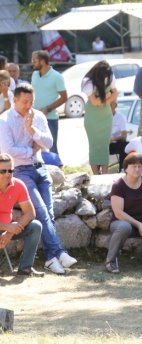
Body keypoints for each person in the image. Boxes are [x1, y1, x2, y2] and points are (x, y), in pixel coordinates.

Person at [0, 83, 77, 274]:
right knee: (41, 211)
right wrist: (31, 149)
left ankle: (51, 258)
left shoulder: (38, 116)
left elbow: (48, 144)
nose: (28, 106)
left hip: (40, 169)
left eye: (31, 102)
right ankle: (58, 252)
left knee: (48, 214)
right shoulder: (4, 120)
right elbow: (9, 150)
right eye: (25, 102)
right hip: (19, 171)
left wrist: (32, 130)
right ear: (15, 100)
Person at [0, 153, 44, 277]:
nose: (8, 174)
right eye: (3, 171)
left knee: (35, 226)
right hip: (4, 227)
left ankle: (25, 268)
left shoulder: (18, 185)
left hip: (7, 230)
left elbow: (30, 213)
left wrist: (10, 232)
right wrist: (7, 227)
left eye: (11, 170)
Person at [82, 61, 119, 175]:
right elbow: (94, 102)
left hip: (106, 116)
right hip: (92, 116)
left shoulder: (110, 77)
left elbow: (115, 93)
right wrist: (107, 97)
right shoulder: (88, 82)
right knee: (94, 145)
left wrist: (104, 101)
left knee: (104, 145)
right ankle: (96, 174)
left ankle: (105, 173)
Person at [31, 50, 67, 155]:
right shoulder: (34, 74)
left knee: (51, 147)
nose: (32, 63)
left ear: (42, 62)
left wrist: (48, 109)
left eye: (34, 61)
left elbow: (64, 98)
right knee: (34, 148)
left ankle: (56, 169)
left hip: (50, 119)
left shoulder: (56, 76)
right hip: (34, 118)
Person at [109, 99, 129, 171]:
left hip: (115, 143)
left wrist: (113, 139)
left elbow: (124, 135)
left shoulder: (121, 117)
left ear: (115, 105)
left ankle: (122, 169)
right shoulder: (101, 117)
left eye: (110, 105)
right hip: (103, 144)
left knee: (125, 144)